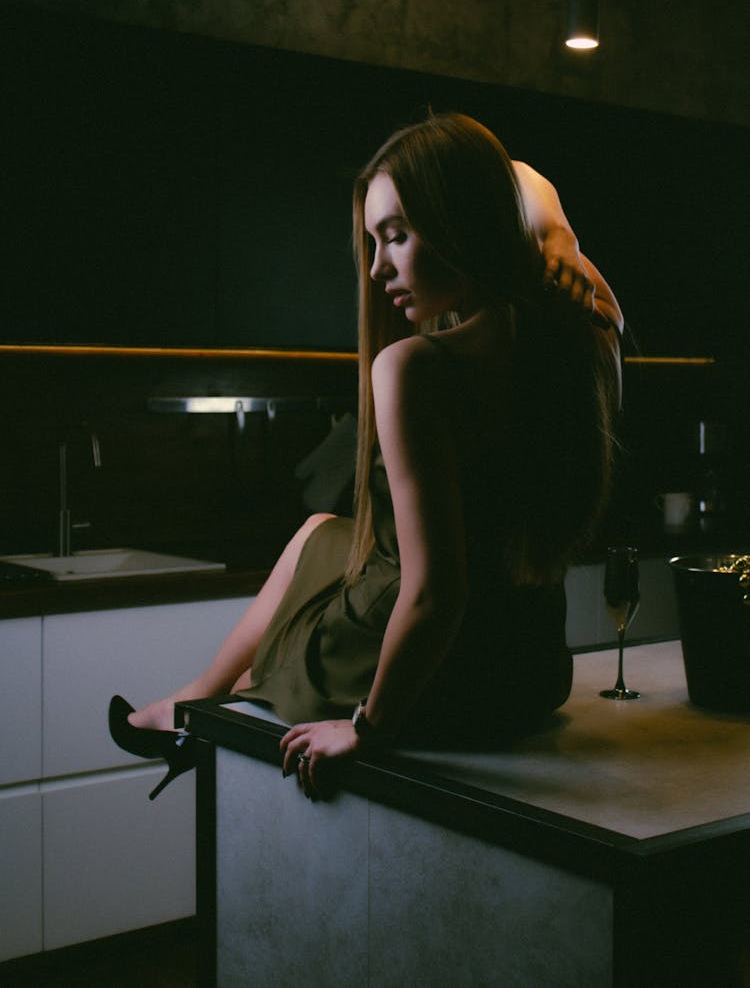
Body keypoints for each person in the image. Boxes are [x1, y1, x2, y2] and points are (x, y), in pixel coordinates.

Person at [109, 112, 622, 800]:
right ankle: (188, 710)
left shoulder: (414, 368)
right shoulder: (589, 330)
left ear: (461, 222)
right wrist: (560, 234)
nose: (378, 267)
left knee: (252, 676)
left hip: (438, 676)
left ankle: (192, 712)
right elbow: (519, 179)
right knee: (323, 534)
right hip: (526, 671)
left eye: (397, 237)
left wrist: (367, 726)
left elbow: (438, 592)